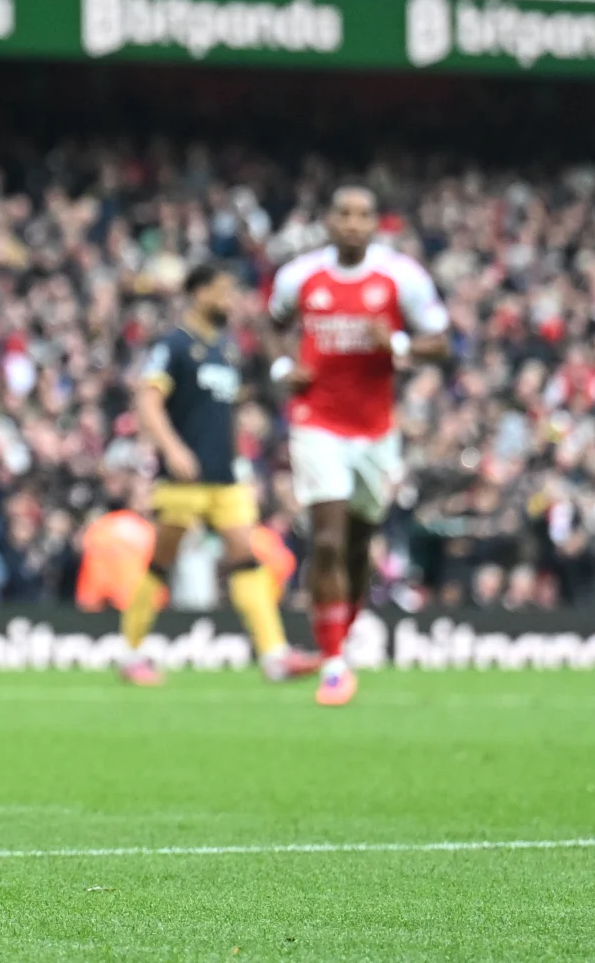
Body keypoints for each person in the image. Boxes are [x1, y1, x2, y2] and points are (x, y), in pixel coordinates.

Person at [267, 186, 450, 707]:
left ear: (376, 224)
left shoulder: (401, 276)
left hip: (375, 431)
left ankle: (336, 644)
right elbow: (274, 321)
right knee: (326, 539)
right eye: (342, 214)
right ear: (328, 220)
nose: (351, 223)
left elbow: (439, 340)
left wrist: (393, 344)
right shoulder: (300, 275)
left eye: (362, 215)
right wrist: (285, 367)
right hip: (316, 422)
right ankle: (332, 665)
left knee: (358, 548)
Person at [118, 262, 311, 686]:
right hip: (183, 479)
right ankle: (130, 653)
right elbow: (147, 402)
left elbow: (222, 412)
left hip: (224, 475)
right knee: (162, 562)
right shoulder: (174, 345)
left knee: (245, 557)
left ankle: (275, 654)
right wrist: (173, 450)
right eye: (222, 291)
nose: (229, 300)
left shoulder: (227, 348)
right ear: (200, 292)